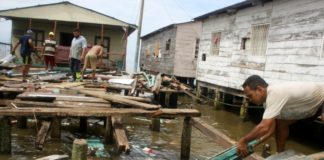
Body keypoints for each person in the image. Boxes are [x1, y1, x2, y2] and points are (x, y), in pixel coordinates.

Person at [237, 75, 324, 157]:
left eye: (250, 96)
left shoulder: (275, 93)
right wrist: (251, 145)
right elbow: (270, 131)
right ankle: (280, 154)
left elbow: (264, 127)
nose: (250, 100)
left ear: (259, 89)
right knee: (281, 124)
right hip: (311, 107)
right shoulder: (266, 103)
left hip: (322, 99)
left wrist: (244, 140)